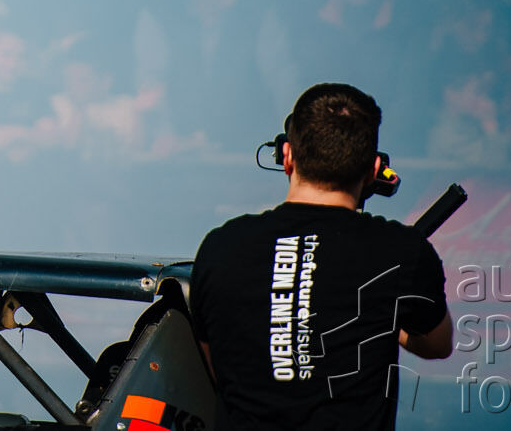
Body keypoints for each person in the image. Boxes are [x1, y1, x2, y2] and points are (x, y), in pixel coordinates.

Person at [190, 84, 452, 430]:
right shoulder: (402, 251)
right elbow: (437, 344)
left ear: (287, 156)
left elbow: (212, 366)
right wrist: (387, 320)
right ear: (374, 169)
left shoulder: (220, 247)